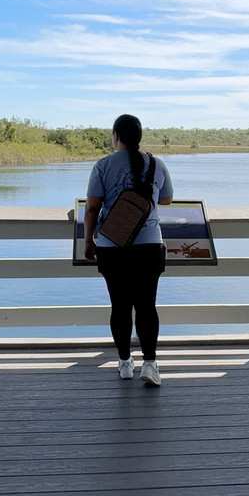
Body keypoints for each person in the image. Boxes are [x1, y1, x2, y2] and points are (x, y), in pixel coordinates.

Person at [84, 114, 173, 386]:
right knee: (147, 305)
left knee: (120, 306)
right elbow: (167, 199)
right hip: (149, 245)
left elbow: (91, 208)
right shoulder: (156, 164)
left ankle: (124, 363)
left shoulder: (103, 165)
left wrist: (89, 241)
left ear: (116, 136)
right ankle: (150, 363)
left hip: (113, 246)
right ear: (140, 137)